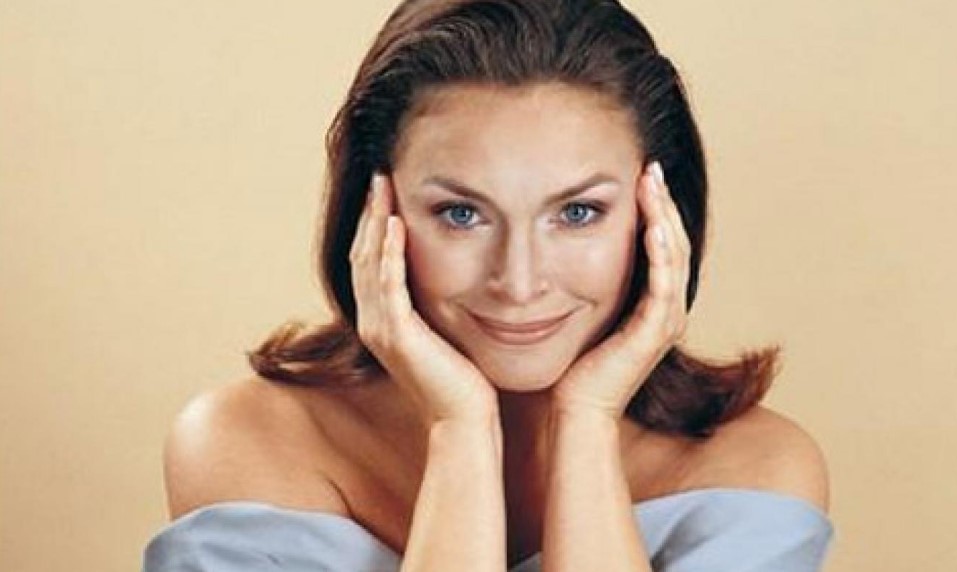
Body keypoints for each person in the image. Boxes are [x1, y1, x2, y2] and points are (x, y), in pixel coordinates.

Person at [143, 0, 834, 570]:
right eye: (461, 214)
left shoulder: (755, 470)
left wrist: (587, 421)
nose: (519, 281)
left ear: (658, 215)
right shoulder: (250, 442)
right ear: (376, 213)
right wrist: (458, 430)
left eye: (578, 212)